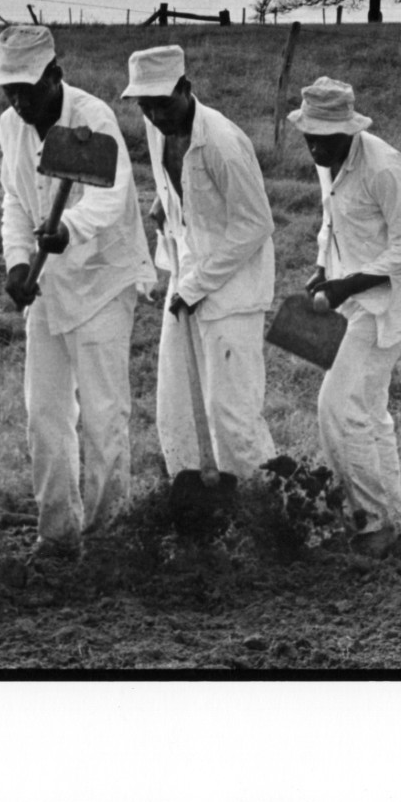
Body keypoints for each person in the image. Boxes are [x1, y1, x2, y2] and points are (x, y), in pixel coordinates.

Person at [0, 26, 151, 559]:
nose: (19, 102)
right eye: (9, 92)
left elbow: (112, 196)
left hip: (102, 280)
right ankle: (56, 531)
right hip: (50, 285)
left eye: (28, 90)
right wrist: (18, 263)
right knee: (44, 413)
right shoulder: (10, 127)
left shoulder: (92, 118)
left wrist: (69, 229)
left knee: (105, 414)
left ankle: (109, 537)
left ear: (55, 76)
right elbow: (15, 199)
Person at [292, 77, 401, 555]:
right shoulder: (329, 160)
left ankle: (373, 524)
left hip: (386, 305)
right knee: (371, 416)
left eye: (323, 138)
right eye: (308, 136)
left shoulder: (384, 168)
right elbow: (331, 220)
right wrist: (321, 269)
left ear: (349, 130)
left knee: (339, 406)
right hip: (352, 301)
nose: (314, 146)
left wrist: (350, 283)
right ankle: (397, 530)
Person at [123, 44, 278, 483]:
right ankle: (204, 504)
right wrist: (165, 203)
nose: (155, 115)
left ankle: (266, 512)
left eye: (163, 103)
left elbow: (255, 225)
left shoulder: (222, 142)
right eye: (146, 106)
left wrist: (194, 287)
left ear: (186, 88)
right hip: (189, 272)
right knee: (179, 402)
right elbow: (183, 187)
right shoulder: (158, 129)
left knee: (231, 414)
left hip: (233, 289)